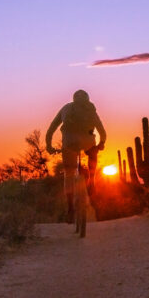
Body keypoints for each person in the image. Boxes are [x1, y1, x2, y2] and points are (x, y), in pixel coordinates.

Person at [45, 90, 106, 223]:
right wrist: (101, 143)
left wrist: (49, 146)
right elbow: (102, 131)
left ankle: (70, 208)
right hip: (88, 143)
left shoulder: (66, 108)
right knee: (93, 152)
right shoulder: (91, 110)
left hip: (69, 144)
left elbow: (51, 129)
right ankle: (92, 180)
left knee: (69, 173)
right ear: (87, 99)